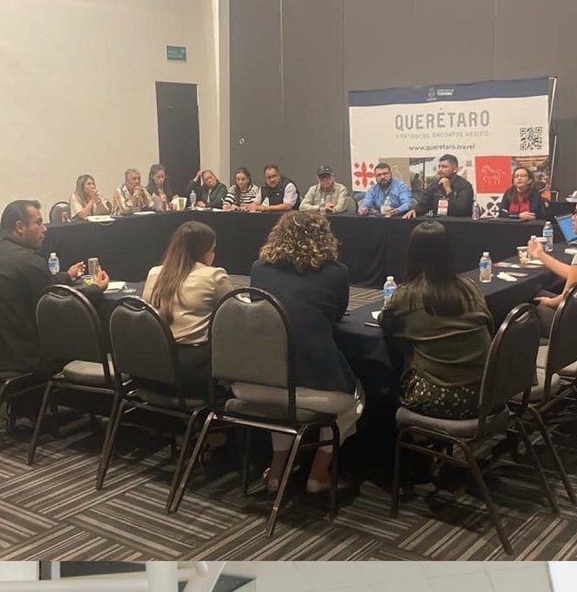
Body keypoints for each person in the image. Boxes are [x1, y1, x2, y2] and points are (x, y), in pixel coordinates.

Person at [249, 211, 363, 495]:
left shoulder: (258, 268)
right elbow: (336, 314)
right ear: (324, 238)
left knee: (281, 404)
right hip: (312, 386)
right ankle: (318, 474)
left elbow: (258, 309)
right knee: (355, 400)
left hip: (253, 382)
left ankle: (277, 472)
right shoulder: (337, 273)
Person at [0, 200, 109, 401]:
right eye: (38, 223)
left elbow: (37, 284)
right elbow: (62, 305)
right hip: (28, 358)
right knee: (97, 333)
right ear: (20, 227)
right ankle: (107, 405)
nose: (44, 229)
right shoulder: (27, 259)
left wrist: (67, 275)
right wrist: (96, 289)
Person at [381, 221, 494, 419]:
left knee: (382, 386)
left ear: (411, 254)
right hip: (488, 393)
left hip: (442, 398)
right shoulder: (470, 287)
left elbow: (386, 322)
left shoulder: (407, 295)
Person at [141, 220, 233, 394]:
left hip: (151, 366)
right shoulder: (213, 276)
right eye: (212, 250)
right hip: (191, 372)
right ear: (204, 251)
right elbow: (237, 313)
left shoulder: (153, 273)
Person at [406, 154, 475, 219]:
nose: (440, 170)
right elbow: (424, 202)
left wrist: (448, 190)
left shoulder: (464, 185)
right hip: (437, 224)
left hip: (459, 224)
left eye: (444, 167)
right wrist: (415, 210)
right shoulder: (434, 184)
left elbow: (461, 210)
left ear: (455, 169)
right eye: (439, 167)